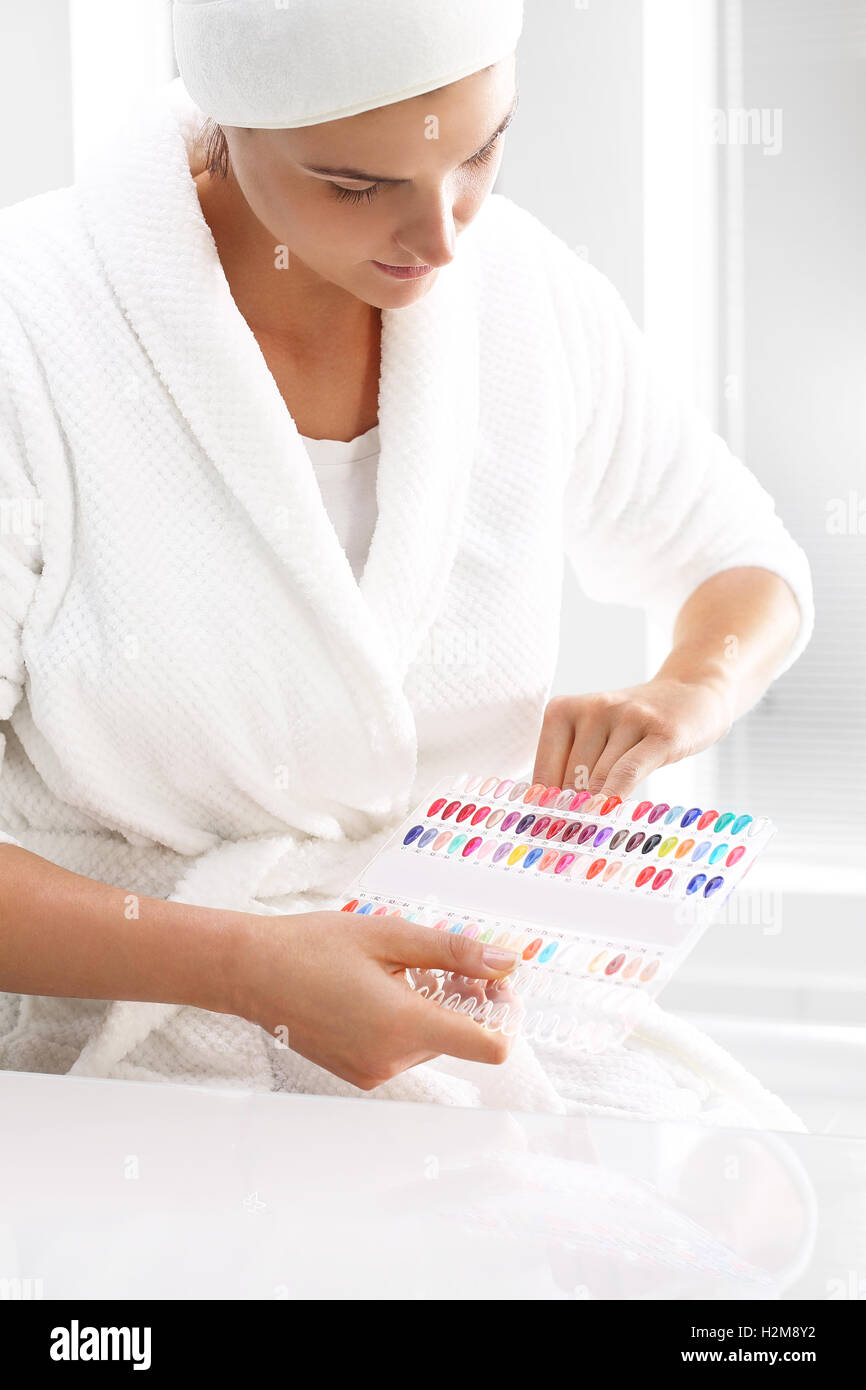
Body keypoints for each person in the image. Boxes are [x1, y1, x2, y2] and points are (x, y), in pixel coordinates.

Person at [0, 0, 812, 1122]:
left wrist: (687, 690)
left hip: (463, 1031)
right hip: (121, 1064)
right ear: (231, 126)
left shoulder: (520, 288)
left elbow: (739, 561)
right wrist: (244, 967)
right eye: (353, 183)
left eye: (479, 151)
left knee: (766, 1240)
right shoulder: (32, 328)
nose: (441, 236)